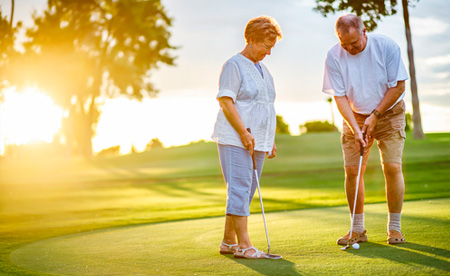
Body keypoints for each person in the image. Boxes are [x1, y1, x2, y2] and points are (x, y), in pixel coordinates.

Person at [322, 14, 409, 245]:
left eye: (355, 43)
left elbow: (399, 86)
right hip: (355, 115)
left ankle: (394, 229)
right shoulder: (333, 56)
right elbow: (339, 97)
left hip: (389, 113)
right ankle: (357, 229)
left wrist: (376, 115)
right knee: (352, 171)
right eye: (344, 44)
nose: (350, 48)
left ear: (364, 32)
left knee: (391, 166)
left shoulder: (386, 47)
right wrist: (355, 127)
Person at [211, 15, 282, 259]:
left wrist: (269, 138)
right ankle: (244, 245)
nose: (269, 52)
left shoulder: (264, 70)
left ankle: (228, 242)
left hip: (258, 140)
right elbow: (225, 100)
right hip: (235, 138)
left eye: (271, 47)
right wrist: (243, 132)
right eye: (265, 46)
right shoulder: (234, 65)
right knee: (239, 189)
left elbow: (265, 106)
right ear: (250, 40)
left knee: (246, 191)